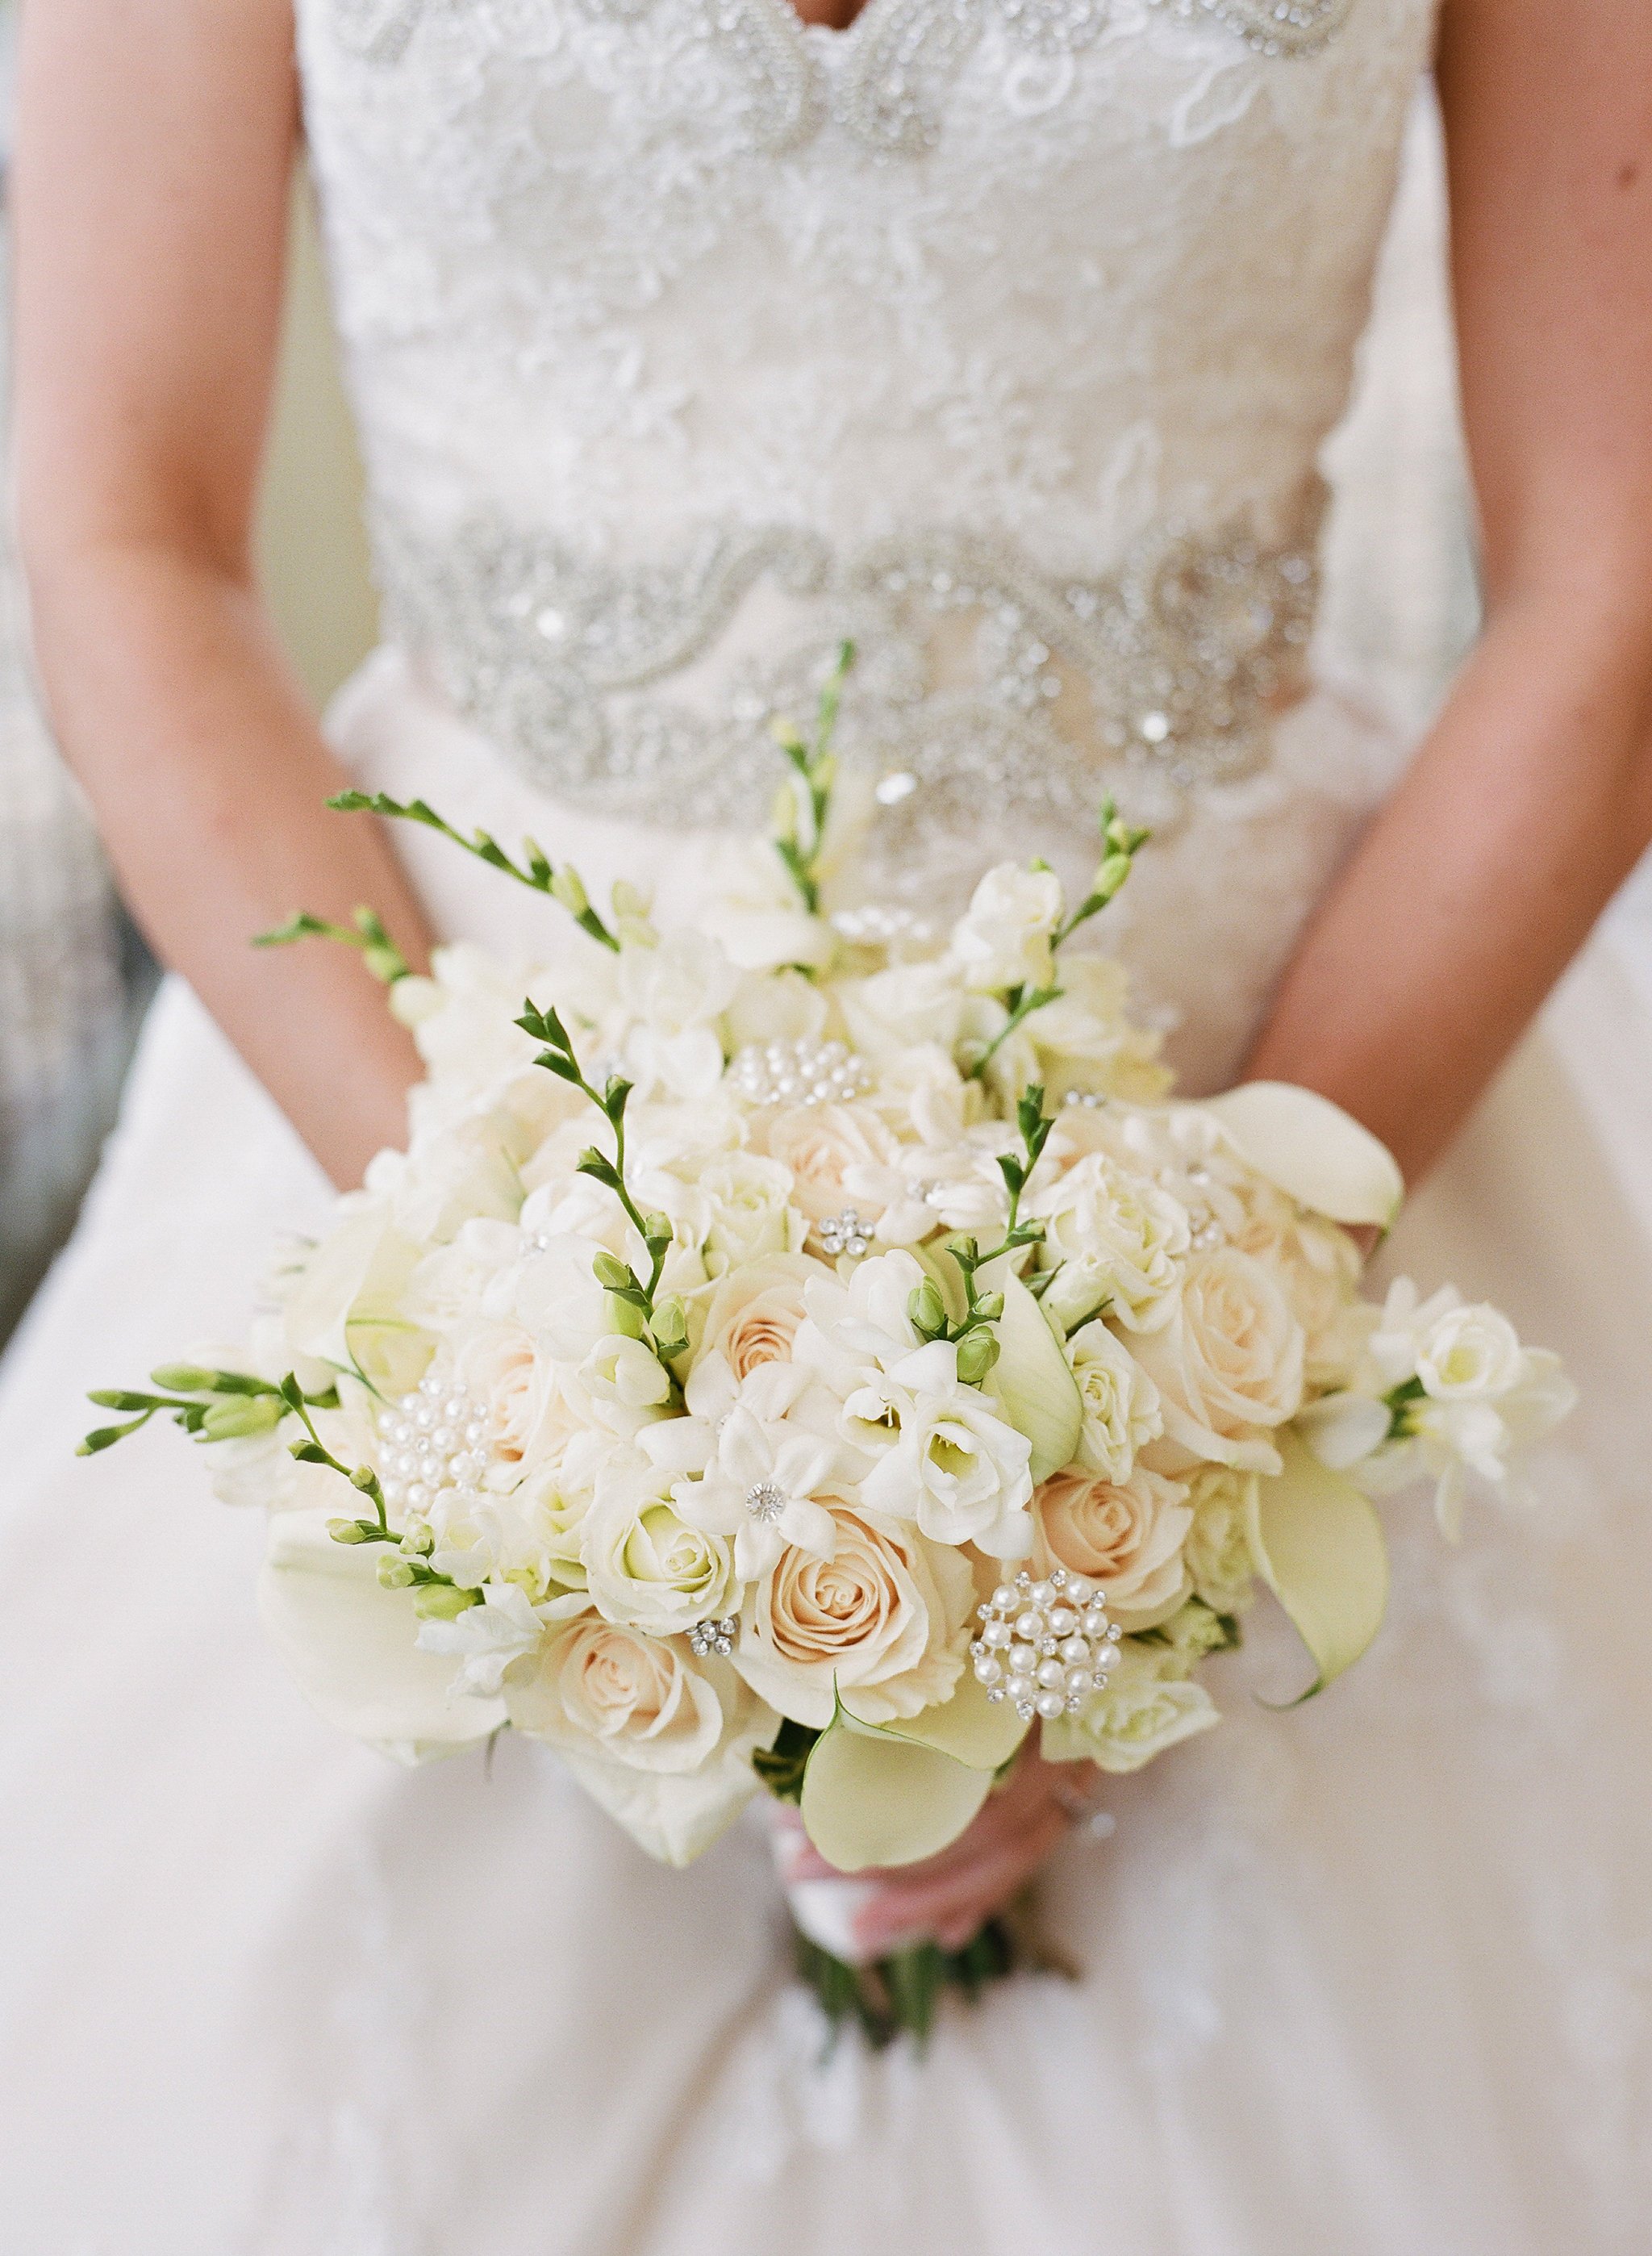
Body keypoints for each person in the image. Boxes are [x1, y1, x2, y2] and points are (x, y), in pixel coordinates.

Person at [2, 0, 1650, 2246]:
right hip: (407, 1071)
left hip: (1302, 1079)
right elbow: (125, 531)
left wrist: (1189, 1368)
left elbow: (1615, 568)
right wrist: (520, 1362)